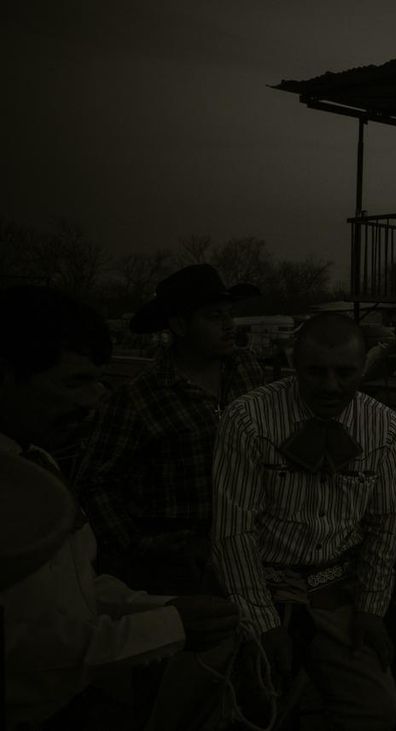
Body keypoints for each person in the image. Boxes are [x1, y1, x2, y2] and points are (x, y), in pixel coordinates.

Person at [0, 286, 237, 730]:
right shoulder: (138, 399)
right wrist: (150, 569)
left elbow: (73, 590)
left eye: (97, 380)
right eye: (75, 381)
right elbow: (27, 652)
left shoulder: (38, 458)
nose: (94, 399)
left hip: (203, 571)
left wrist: (161, 608)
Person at [211, 312, 396, 730]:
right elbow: (232, 532)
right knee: (254, 710)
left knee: (378, 708)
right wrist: (261, 623)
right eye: (316, 372)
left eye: (345, 372)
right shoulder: (248, 419)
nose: (330, 385)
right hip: (259, 586)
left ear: (362, 367)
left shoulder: (384, 427)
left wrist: (372, 608)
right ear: (294, 364)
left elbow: (385, 524)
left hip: (335, 591)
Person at [75, 264, 264, 595]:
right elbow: (94, 482)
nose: (229, 325)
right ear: (179, 325)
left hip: (253, 544)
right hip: (182, 566)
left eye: (229, 314)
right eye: (214, 316)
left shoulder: (246, 369)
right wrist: (139, 547)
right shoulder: (137, 399)